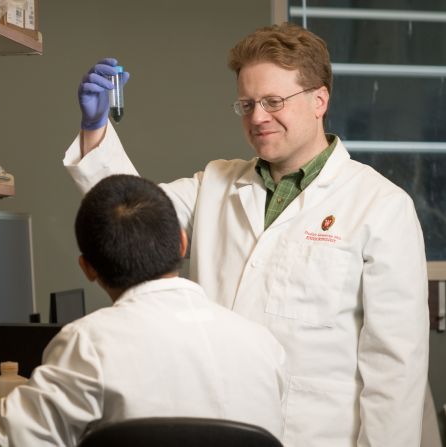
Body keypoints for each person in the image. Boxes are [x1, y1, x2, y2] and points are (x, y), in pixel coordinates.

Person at [63, 22, 429, 447]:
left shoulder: (380, 205)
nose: (258, 117)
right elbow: (130, 216)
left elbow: (395, 368)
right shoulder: (215, 183)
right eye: (247, 103)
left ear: (319, 100)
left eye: (274, 101)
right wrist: (96, 131)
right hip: (213, 429)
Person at [0, 174, 286, 447]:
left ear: (87, 268)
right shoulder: (264, 346)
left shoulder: (88, 343)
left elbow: (2, 442)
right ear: (181, 242)